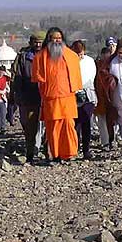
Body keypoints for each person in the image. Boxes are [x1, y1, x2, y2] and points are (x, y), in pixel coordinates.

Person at [32, 27, 83, 162]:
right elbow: (38, 78)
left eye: (59, 38)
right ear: (49, 40)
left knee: (68, 125)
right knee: (53, 127)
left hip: (68, 97)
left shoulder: (71, 56)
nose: (56, 41)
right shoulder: (40, 57)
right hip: (51, 99)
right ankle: (55, 155)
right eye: (54, 38)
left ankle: (69, 153)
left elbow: (77, 77)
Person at [11, 31, 46, 162]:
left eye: (40, 42)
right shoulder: (23, 56)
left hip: (47, 95)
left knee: (49, 125)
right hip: (29, 96)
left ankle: (49, 151)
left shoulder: (49, 56)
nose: (38, 44)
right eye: (35, 42)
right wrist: (15, 94)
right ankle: (30, 152)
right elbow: (16, 76)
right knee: (29, 126)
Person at [71, 40, 97, 159]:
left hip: (88, 94)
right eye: (77, 54)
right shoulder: (69, 62)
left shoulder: (90, 61)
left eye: (81, 54)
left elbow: (92, 76)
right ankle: (74, 148)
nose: (79, 56)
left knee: (87, 122)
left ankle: (86, 149)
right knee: (75, 124)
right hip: (73, 95)